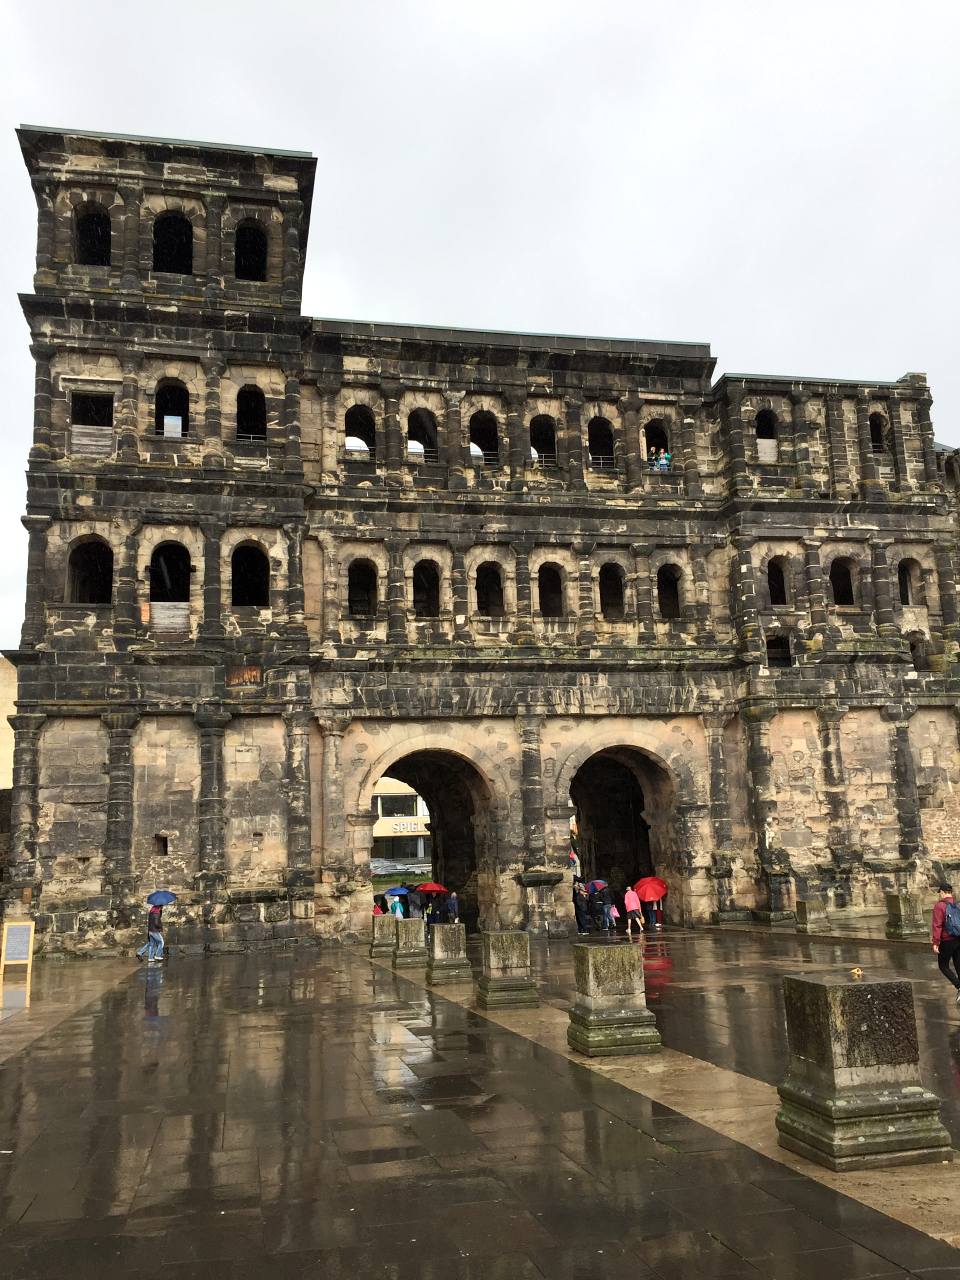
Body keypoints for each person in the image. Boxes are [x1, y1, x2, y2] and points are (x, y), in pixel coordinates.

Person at [932, 882, 960, 1001]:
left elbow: (937, 925)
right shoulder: (958, 904)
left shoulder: (940, 906)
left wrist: (936, 943)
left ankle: (959, 986)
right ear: (951, 892)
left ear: (942, 892)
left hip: (946, 940)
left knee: (943, 965)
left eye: (940, 893)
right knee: (959, 965)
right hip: (958, 938)